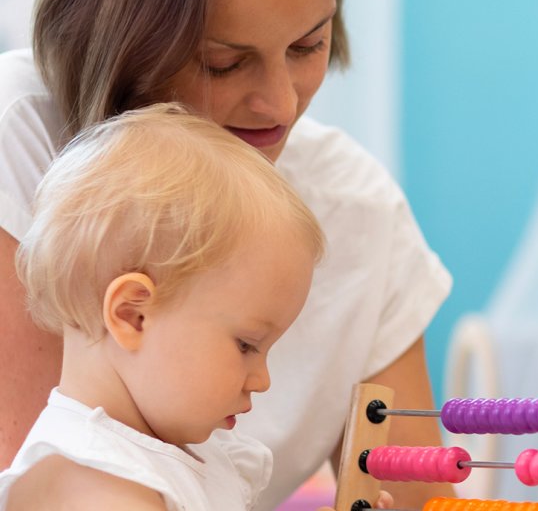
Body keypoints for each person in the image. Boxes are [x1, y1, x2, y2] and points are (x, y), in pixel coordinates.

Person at [0, 0, 453, 508]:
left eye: (308, 44)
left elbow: (420, 495)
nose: (281, 104)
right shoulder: (93, 475)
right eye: (223, 62)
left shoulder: (360, 208)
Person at [0, 103, 327, 509]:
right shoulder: (89, 482)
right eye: (246, 345)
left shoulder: (162, 457)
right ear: (132, 315)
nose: (262, 380)